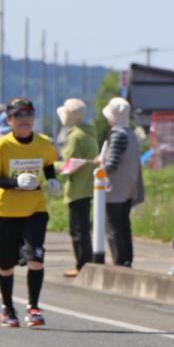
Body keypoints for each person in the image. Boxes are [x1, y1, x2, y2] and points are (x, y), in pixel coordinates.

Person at [0, 97, 60, 328]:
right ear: (9, 120)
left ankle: (33, 307)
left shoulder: (44, 143)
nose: (24, 120)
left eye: (28, 115)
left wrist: (52, 180)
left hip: (34, 209)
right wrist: (14, 182)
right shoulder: (1, 146)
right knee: (6, 265)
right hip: (4, 211)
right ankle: (7, 308)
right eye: (18, 116)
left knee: (35, 256)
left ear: (33, 118)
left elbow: (47, 163)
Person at [56, 98, 98, 277]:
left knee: (77, 229)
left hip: (77, 187)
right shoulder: (90, 133)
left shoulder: (74, 137)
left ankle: (82, 265)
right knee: (83, 228)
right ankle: (85, 262)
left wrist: (51, 165)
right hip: (88, 184)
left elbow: (68, 164)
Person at [99, 97, 144, 267]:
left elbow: (112, 163)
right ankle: (126, 259)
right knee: (124, 225)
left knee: (114, 226)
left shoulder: (117, 134)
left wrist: (99, 171)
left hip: (115, 188)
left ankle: (119, 260)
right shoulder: (130, 133)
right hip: (129, 186)